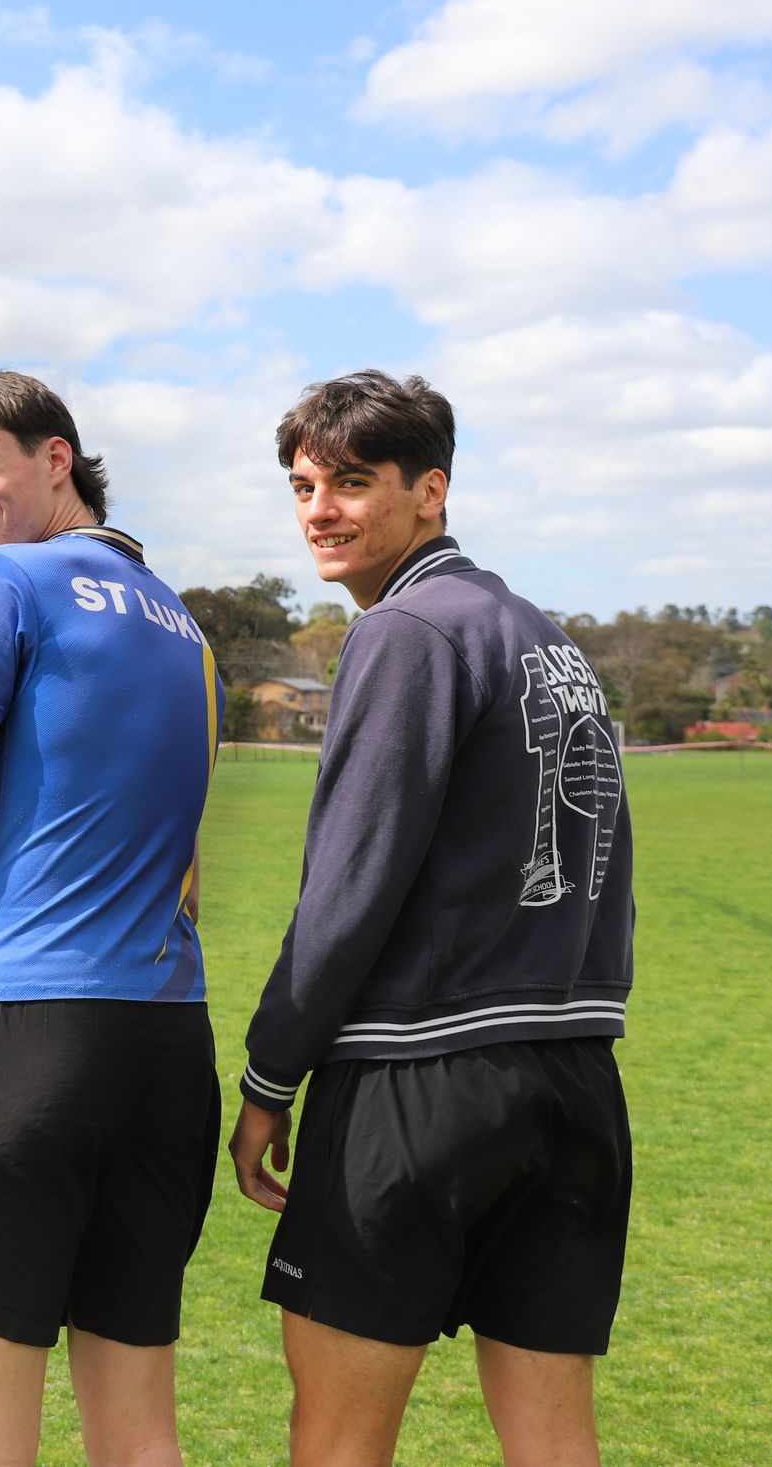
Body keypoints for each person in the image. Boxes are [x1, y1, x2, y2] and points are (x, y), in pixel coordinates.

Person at [228, 371, 635, 1467]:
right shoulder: (548, 638)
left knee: (338, 1441)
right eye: (303, 485)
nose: (320, 509)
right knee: (555, 1440)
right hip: (576, 1086)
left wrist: (269, 1077)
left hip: (420, 1081)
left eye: (353, 482)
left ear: (431, 490)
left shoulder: (406, 628)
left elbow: (347, 887)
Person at [0, 370, 224, 1467]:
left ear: (56, 458)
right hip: (168, 1045)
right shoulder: (184, 623)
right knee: (139, 1431)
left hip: (24, 1029)